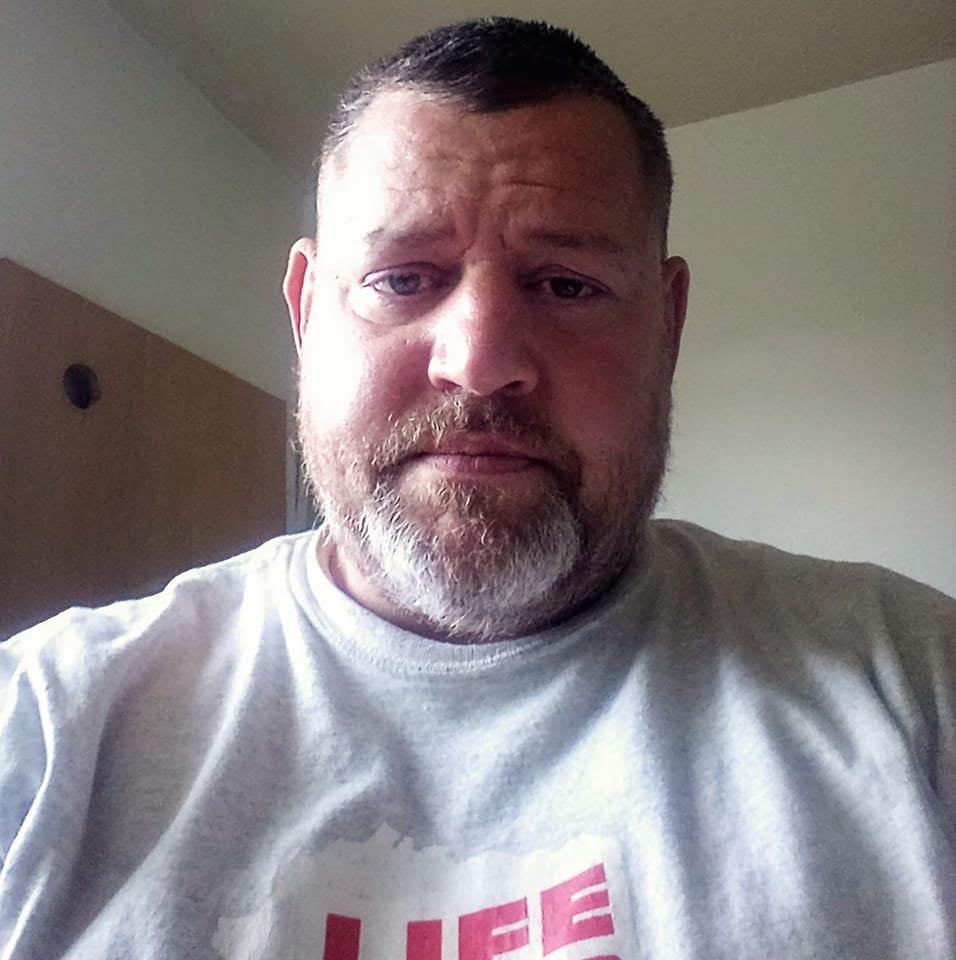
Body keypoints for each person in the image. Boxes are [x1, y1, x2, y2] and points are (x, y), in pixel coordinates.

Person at [1, 16, 953, 960]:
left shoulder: (916, 686)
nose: (481, 360)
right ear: (306, 314)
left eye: (567, 284)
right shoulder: (44, 727)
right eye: (402, 279)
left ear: (666, 327)